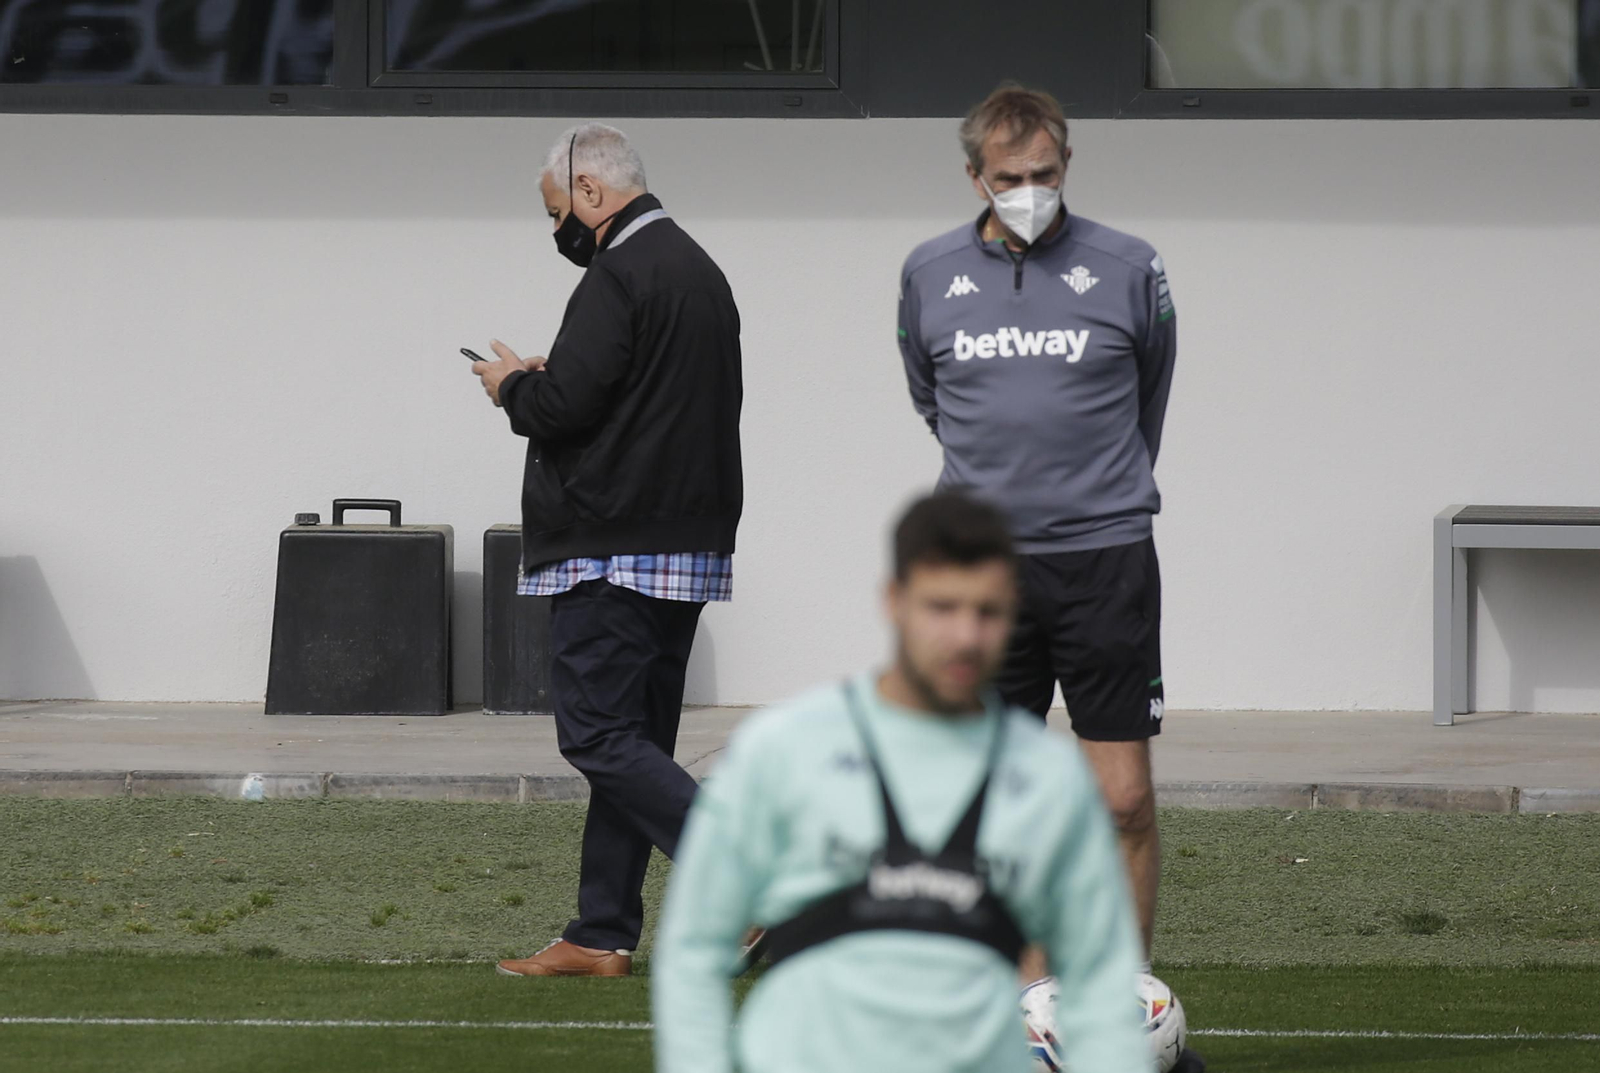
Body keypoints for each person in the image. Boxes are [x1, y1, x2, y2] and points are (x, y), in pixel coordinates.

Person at [895, 83, 1200, 1071]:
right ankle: (1028, 1022)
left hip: (1104, 558)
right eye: (1008, 177)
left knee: (1121, 799)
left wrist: (1092, 491)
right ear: (974, 175)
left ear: (1066, 166)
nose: (1029, 191)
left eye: (1045, 175)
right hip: (982, 575)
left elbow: (1148, 392)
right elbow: (932, 396)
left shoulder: (1129, 266)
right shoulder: (928, 272)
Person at [652, 492, 1149, 1073]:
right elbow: (693, 952)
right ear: (893, 602)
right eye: (942, 607)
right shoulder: (784, 749)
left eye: (988, 612)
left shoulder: (1050, 778)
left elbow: (1102, 989)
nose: (966, 636)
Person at [471, 122, 742, 978]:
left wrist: (512, 385)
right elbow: (633, 396)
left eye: (557, 210)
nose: (558, 230)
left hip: (612, 550)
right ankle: (600, 933)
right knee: (635, 748)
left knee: (594, 735)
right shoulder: (697, 270)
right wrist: (558, 380)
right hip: (683, 547)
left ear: (590, 192)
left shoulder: (618, 272)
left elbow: (563, 412)